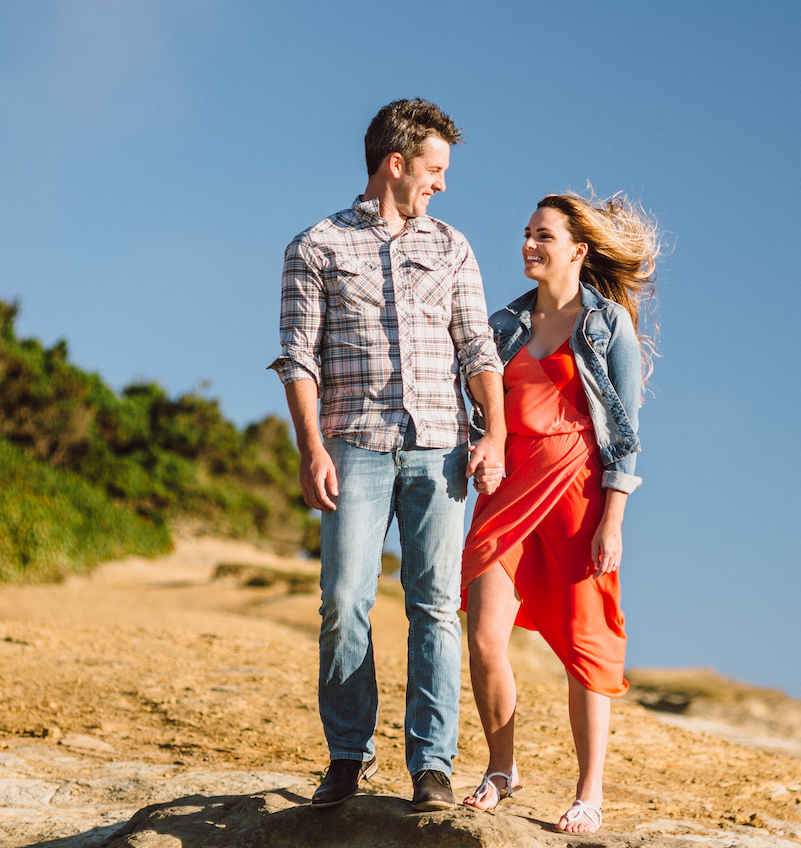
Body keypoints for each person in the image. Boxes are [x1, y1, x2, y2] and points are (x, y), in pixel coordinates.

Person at [270, 98, 507, 812]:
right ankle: (348, 756)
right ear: (395, 165)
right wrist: (311, 447)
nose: (441, 183)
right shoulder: (315, 246)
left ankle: (431, 764)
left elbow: (477, 345)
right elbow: (297, 359)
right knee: (345, 602)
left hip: (441, 448)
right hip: (353, 445)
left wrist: (493, 431)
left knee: (434, 605)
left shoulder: (453, 246)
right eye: (434, 168)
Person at [459, 191, 659, 835]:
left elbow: (624, 434)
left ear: (578, 249)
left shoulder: (607, 327)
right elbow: (479, 411)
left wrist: (614, 519)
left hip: (576, 495)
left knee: (584, 647)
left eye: (543, 236)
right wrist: (477, 445)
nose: (528, 244)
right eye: (525, 233)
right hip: (507, 491)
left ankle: (589, 793)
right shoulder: (500, 327)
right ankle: (501, 769)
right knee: (486, 634)